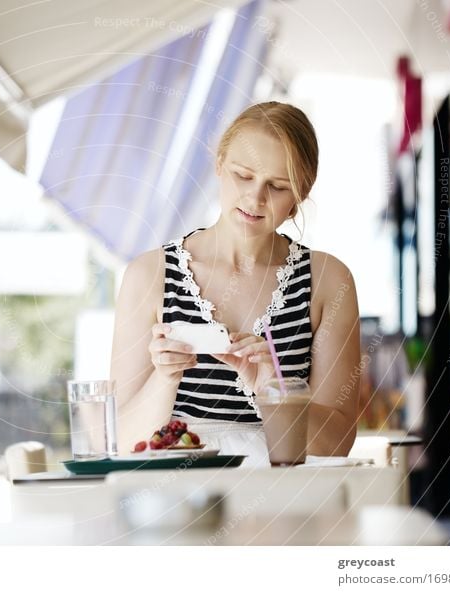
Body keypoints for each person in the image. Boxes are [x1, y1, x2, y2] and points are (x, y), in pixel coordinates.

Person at [110, 101, 360, 463]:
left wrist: (271, 390)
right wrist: (165, 379)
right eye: (243, 175)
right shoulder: (150, 275)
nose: (255, 198)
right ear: (219, 164)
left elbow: (336, 443)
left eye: (277, 186)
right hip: (181, 494)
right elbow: (122, 439)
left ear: (299, 197)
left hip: (287, 498)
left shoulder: (327, 281)